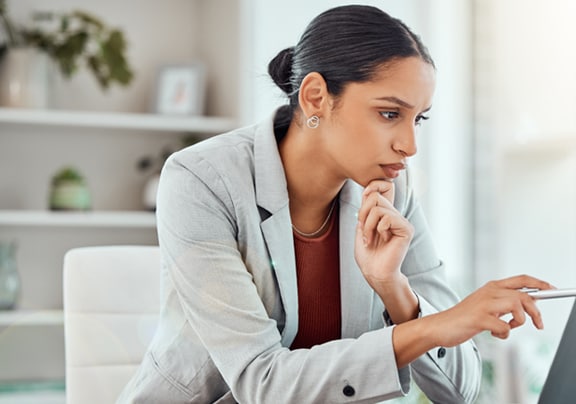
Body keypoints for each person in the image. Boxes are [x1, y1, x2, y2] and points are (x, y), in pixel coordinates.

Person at [118, 5, 551, 403]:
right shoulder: (201, 181)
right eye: (389, 114)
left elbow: (461, 392)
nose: (410, 145)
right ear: (315, 98)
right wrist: (434, 325)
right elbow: (260, 383)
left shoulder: (392, 189)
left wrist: (396, 291)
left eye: (418, 118)